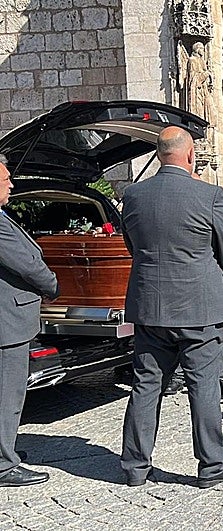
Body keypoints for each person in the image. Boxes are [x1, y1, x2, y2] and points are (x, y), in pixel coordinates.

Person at [120, 126, 223, 488]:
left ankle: (135, 468)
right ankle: (211, 466)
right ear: (190, 154)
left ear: (160, 154)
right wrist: (205, 280)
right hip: (199, 309)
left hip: (150, 306)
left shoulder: (134, 195)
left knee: (146, 384)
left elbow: (133, 246)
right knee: (203, 384)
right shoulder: (209, 195)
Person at [0, 155, 59, 487]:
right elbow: (26, 264)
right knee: (7, 397)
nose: (12, 183)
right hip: (6, 323)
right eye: (6, 178)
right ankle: (4, 464)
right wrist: (52, 285)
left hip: (8, 318)